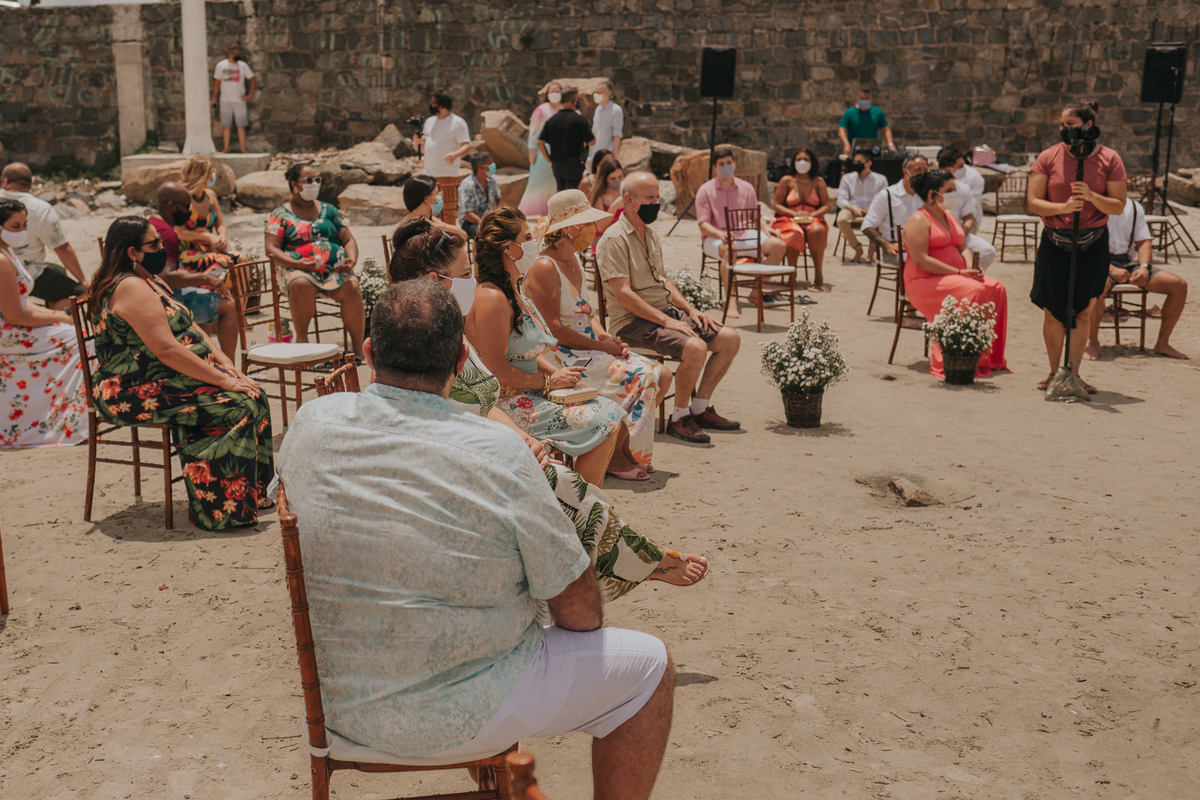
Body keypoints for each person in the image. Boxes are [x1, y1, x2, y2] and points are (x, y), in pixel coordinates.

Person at [271, 278, 677, 799]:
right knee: (647, 669)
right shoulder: (498, 452)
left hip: (339, 707)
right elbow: (577, 609)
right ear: (463, 359)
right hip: (467, 710)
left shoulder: (311, 423)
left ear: (369, 351)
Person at [387, 216, 706, 596]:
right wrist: (519, 437)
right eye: (463, 273)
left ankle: (613, 558)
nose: (470, 279)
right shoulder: (419, 342)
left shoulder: (450, 327)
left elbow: (481, 400)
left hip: (492, 437)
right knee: (562, 483)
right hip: (465, 458)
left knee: (569, 476)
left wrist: (522, 437)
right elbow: (440, 416)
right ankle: (631, 562)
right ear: (435, 282)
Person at [89, 216, 274, 530]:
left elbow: (193, 330)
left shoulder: (151, 279)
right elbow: (167, 350)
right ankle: (220, 508)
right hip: (132, 388)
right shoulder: (130, 287)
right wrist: (222, 381)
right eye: (154, 244)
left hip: (165, 376)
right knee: (240, 405)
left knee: (255, 394)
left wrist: (227, 365)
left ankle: (257, 491)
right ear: (132, 252)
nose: (162, 249)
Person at [464, 206, 632, 488]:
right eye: (528, 237)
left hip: (530, 391)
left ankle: (585, 502)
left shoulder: (512, 289)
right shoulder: (492, 297)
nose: (534, 243)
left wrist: (559, 374)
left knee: (610, 409)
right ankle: (584, 505)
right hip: (504, 403)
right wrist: (547, 381)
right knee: (606, 419)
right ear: (510, 249)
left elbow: (526, 353)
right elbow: (496, 370)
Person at [524, 190, 672, 475]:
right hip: (559, 355)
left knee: (661, 374)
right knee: (641, 375)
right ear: (569, 228)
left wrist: (605, 338)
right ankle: (614, 454)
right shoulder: (545, 266)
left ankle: (622, 448)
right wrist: (603, 347)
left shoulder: (575, 260)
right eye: (587, 223)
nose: (594, 229)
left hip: (584, 347)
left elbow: (585, 313)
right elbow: (552, 329)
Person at [597, 172, 742, 445]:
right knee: (696, 347)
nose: (656, 202)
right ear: (628, 200)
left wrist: (691, 310)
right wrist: (667, 321)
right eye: (649, 197)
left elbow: (663, 280)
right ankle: (679, 417)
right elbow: (623, 295)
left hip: (662, 314)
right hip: (631, 323)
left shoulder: (649, 232)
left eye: (657, 196)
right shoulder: (614, 238)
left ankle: (699, 408)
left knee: (729, 338)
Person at [1028, 99, 1127, 394]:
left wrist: (1093, 198)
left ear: (1088, 126)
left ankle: (1074, 373)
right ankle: (1053, 371)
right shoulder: (1048, 157)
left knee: (1083, 310)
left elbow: (1119, 205)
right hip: (1055, 242)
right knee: (1052, 311)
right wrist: (1064, 206)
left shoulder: (1109, 158)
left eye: (1069, 124)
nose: (1063, 129)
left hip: (1092, 243)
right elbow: (1034, 202)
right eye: (1061, 125)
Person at [903, 170, 1009, 379]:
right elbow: (921, 260)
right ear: (933, 194)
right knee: (976, 290)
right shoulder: (918, 219)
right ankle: (961, 356)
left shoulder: (949, 215)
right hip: (925, 280)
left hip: (956, 277)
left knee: (996, 288)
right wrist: (960, 272)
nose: (955, 194)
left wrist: (972, 268)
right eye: (949, 190)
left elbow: (963, 247)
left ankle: (989, 357)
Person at [0, 198, 87, 448]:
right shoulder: (2, 260)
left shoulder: (8, 250)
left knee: (72, 330)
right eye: (15, 226)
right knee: (76, 339)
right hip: (7, 330)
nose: (23, 231)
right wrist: (58, 316)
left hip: (12, 322)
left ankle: (64, 417)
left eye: (25, 225)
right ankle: (61, 421)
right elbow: (15, 315)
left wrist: (55, 316)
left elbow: (22, 304)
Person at [264, 163, 365, 360]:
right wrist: (298, 264)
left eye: (316, 180)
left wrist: (351, 259)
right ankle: (302, 343)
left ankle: (358, 349)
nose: (314, 184)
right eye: (308, 181)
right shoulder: (280, 214)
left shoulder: (329, 210)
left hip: (333, 272)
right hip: (297, 270)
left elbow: (348, 239)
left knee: (352, 287)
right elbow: (271, 248)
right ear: (295, 185)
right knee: (301, 284)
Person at [1085, 197, 1188, 361]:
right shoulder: (1091, 204)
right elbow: (1084, 244)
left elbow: (1143, 242)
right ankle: (1093, 343)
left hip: (1128, 262)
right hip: (1099, 262)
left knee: (1178, 285)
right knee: (1096, 287)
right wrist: (1109, 268)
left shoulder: (1133, 207)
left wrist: (1144, 267)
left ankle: (1162, 343)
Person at [149, 182, 238, 361]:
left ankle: (208, 363)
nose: (189, 211)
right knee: (228, 305)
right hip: (166, 302)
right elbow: (165, 277)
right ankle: (229, 367)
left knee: (204, 298)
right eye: (186, 206)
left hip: (150, 298)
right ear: (171, 206)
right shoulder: (167, 234)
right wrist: (205, 278)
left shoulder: (151, 223)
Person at [697, 146, 786, 317]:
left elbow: (756, 216)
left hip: (743, 234)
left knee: (778, 246)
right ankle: (731, 301)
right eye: (721, 164)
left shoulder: (746, 188)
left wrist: (767, 229)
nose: (726, 166)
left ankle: (755, 292)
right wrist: (720, 234)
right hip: (714, 237)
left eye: (729, 162)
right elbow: (703, 224)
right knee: (731, 249)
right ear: (715, 167)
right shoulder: (705, 190)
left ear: (735, 163)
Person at [0, 162, 87, 311]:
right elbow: (62, 248)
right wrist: (83, 281)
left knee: (57, 270)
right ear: (29, 183)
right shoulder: (41, 208)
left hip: (12, 266)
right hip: (25, 272)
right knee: (80, 293)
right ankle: (47, 318)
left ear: (5, 181)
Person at [771, 148, 831, 290]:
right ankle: (792, 273)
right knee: (794, 232)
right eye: (799, 159)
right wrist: (794, 214)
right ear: (793, 162)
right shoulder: (786, 181)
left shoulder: (818, 182)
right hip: (789, 218)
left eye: (806, 159)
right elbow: (776, 205)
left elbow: (826, 205)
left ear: (812, 162)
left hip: (812, 218)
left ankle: (818, 274)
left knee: (817, 230)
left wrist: (812, 216)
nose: (802, 162)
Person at [175, 155, 242, 275]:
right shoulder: (183, 198)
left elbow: (220, 224)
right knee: (227, 262)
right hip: (188, 253)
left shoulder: (210, 195)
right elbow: (179, 233)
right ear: (205, 175)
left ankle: (243, 295)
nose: (213, 174)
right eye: (211, 171)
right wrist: (208, 237)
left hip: (209, 249)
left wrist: (222, 236)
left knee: (242, 259)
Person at [862, 155, 929, 267]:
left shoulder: (927, 195)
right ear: (906, 172)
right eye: (918, 170)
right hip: (897, 250)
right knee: (918, 262)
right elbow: (867, 226)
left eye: (925, 171)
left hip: (925, 247)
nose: (923, 174)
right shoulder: (886, 196)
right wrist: (887, 245)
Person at [936, 145, 996, 272]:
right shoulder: (930, 187)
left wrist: (960, 235)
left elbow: (969, 217)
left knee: (987, 251)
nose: (965, 168)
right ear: (949, 169)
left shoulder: (965, 186)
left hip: (959, 232)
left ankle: (966, 276)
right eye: (961, 166)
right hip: (935, 234)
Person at [834, 148, 889, 264]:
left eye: (860, 162)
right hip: (853, 208)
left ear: (869, 163)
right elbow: (841, 199)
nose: (856, 165)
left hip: (873, 209)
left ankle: (871, 254)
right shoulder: (847, 178)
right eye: (855, 162)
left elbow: (884, 199)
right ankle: (857, 249)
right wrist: (854, 209)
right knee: (841, 220)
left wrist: (872, 210)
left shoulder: (880, 179)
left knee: (880, 221)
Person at [517, 82, 564, 217]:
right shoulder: (541, 109)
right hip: (542, 150)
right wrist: (531, 150)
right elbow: (534, 131)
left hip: (560, 150)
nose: (554, 93)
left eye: (557, 90)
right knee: (538, 181)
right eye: (551, 91)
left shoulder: (564, 108)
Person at [538, 88, 595, 192]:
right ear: (573, 100)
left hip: (557, 164)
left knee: (561, 192)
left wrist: (549, 160)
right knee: (573, 195)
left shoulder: (552, 120)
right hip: (574, 164)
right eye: (578, 99)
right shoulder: (580, 119)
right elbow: (591, 142)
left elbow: (540, 142)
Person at [415, 90, 471, 180]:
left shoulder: (457, 123)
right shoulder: (429, 122)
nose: (431, 105)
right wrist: (418, 142)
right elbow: (424, 148)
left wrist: (455, 155)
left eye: (434, 103)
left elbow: (466, 147)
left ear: (442, 105)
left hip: (448, 174)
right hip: (429, 174)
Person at [211, 44, 256, 154]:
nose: (238, 56)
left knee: (241, 125)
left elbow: (252, 79)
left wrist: (249, 95)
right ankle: (226, 148)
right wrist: (214, 98)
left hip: (239, 100)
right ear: (230, 53)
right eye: (236, 53)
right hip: (225, 99)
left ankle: (243, 148)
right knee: (226, 125)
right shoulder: (221, 65)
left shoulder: (242, 66)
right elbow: (217, 83)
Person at [401, 175, 471, 242]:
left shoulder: (425, 218)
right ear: (427, 199)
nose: (439, 197)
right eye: (436, 193)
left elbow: (463, 235)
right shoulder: (420, 223)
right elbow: (462, 235)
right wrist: (439, 226)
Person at [837, 88, 894, 156]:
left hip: (872, 150)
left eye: (867, 98)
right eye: (862, 98)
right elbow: (842, 131)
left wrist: (890, 144)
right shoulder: (849, 113)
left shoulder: (877, 112)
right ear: (857, 98)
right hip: (855, 151)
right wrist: (846, 145)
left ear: (871, 99)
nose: (864, 100)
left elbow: (886, 129)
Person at [457, 153, 500, 239]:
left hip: (487, 219)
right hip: (470, 222)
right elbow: (468, 214)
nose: (493, 165)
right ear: (481, 167)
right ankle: (479, 252)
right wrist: (484, 223)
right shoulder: (467, 185)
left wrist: (496, 212)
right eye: (490, 163)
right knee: (484, 234)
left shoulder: (491, 181)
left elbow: (498, 197)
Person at [586, 155, 625, 234]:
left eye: (620, 177)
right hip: (604, 239)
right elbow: (600, 227)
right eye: (613, 178)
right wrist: (615, 206)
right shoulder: (599, 197)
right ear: (605, 179)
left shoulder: (626, 191)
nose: (617, 181)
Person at [589, 80, 624, 163]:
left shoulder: (616, 110)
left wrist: (614, 155)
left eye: (598, 92)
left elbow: (617, 134)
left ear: (606, 94)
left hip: (607, 154)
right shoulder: (598, 109)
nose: (595, 95)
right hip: (594, 153)